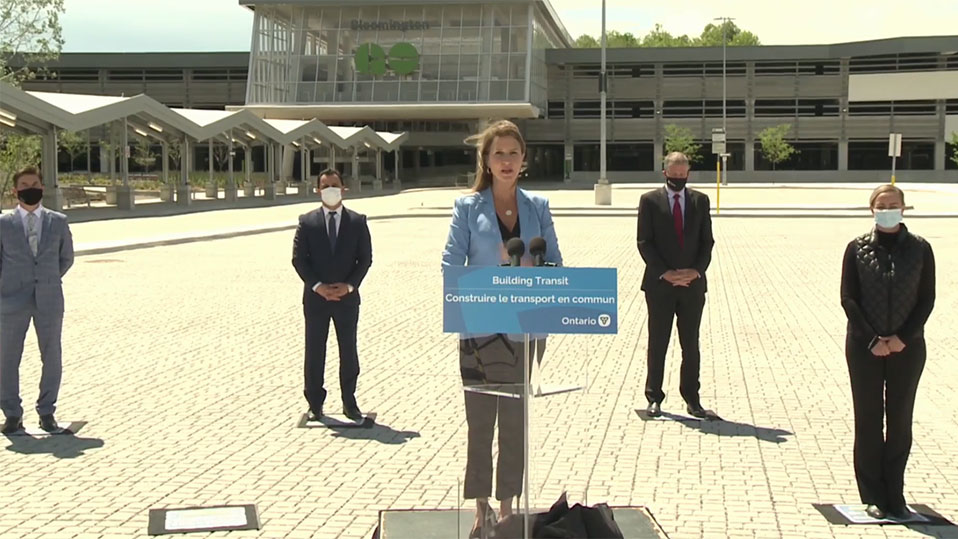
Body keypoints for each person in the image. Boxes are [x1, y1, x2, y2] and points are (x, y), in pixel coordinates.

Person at [442, 120, 562, 537]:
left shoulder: (538, 207)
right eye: (499, 154)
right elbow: (450, 264)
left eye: (513, 153)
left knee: (515, 423)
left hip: (526, 330)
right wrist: (487, 281)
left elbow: (555, 262)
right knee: (480, 423)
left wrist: (538, 272)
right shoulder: (466, 208)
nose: (507, 160)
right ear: (487, 161)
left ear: (523, 159)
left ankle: (508, 505)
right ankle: (481, 507)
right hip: (479, 330)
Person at [840, 184, 935, 521]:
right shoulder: (857, 248)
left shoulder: (921, 249)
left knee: (900, 421)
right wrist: (873, 339)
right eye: (881, 205)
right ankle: (873, 496)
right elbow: (848, 298)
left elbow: (926, 299)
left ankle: (895, 494)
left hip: (907, 348)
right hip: (865, 347)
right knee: (868, 419)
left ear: (904, 208)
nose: (888, 210)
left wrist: (901, 338)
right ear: (872, 210)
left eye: (894, 205)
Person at [636, 152, 715, 420]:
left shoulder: (700, 201)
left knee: (690, 344)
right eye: (674, 175)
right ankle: (654, 397)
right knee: (658, 342)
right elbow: (644, 242)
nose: (679, 179)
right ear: (665, 173)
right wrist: (666, 273)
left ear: (688, 174)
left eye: (683, 175)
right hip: (660, 285)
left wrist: (696, 271)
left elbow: (707, 242)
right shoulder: (649, 201)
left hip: (692, 285)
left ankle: (692, 399)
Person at [292, 168, 372, 422]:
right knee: (314, 351)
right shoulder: (307, 222)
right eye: (325, 186)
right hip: (316, 299)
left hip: (347, 299)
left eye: (334, 185)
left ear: (343, 189)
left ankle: (349, 402)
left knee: (348, 350)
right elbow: (299, 260)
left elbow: (365, 259)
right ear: (318, 190)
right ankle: (315, 403)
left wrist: (349, 286)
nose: (330, 190)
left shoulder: (357, 221)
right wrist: (318, 286)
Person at [0, 166, 75, 434]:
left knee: (51, 356)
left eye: (34, 184)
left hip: (49, 299)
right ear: (15, 191)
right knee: (7, 358)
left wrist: (47, 278)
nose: (29, 189)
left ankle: (47, 412)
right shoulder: (3, 224)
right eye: (24, 185)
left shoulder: (58, 222)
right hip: (11, 300)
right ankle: (12, 414)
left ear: (42, 188)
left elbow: (66, 258)